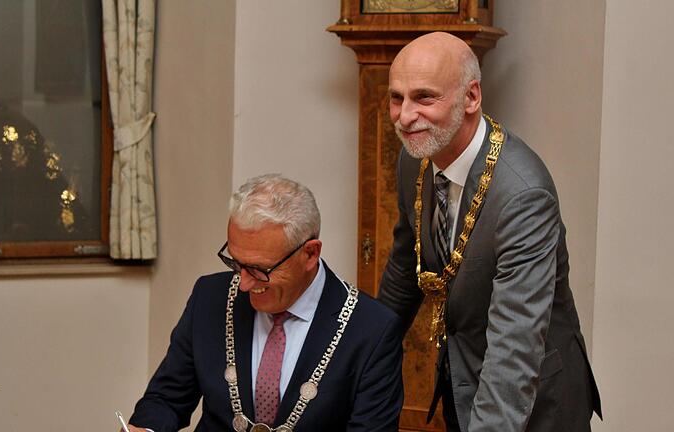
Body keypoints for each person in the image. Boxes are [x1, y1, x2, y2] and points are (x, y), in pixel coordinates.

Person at [378, 32, 602, 431]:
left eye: (424, 97)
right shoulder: (414, 159)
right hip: (462, 382)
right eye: (397, 98)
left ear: (471, 97)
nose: (405, 116)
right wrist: (362, 353)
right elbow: (404, 267)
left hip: (535, 403)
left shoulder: (524, 194)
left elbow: (515, 346)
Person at [128, 174, 404, 431]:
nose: (244, 284)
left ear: (310, 254)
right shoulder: (209, 297)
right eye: (235, 263)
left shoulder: (371, 330)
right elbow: (166, 399)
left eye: (260, 270)